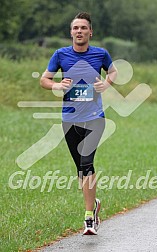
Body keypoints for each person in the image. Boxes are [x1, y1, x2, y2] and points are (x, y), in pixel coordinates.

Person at [40, 12, 117, 235]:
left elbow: (114, 71)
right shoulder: (60, 55)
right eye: (76, 28)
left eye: (83, 28)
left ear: (90, 32)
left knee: (86, 163)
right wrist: (56, 85)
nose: (79, 31)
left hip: (95, 119)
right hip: (70, 119)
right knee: (82, 171)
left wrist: (107, 83)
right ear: (71, 32)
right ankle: (93, 204)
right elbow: (43, 79)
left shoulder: (100, 54)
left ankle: (88, 219)